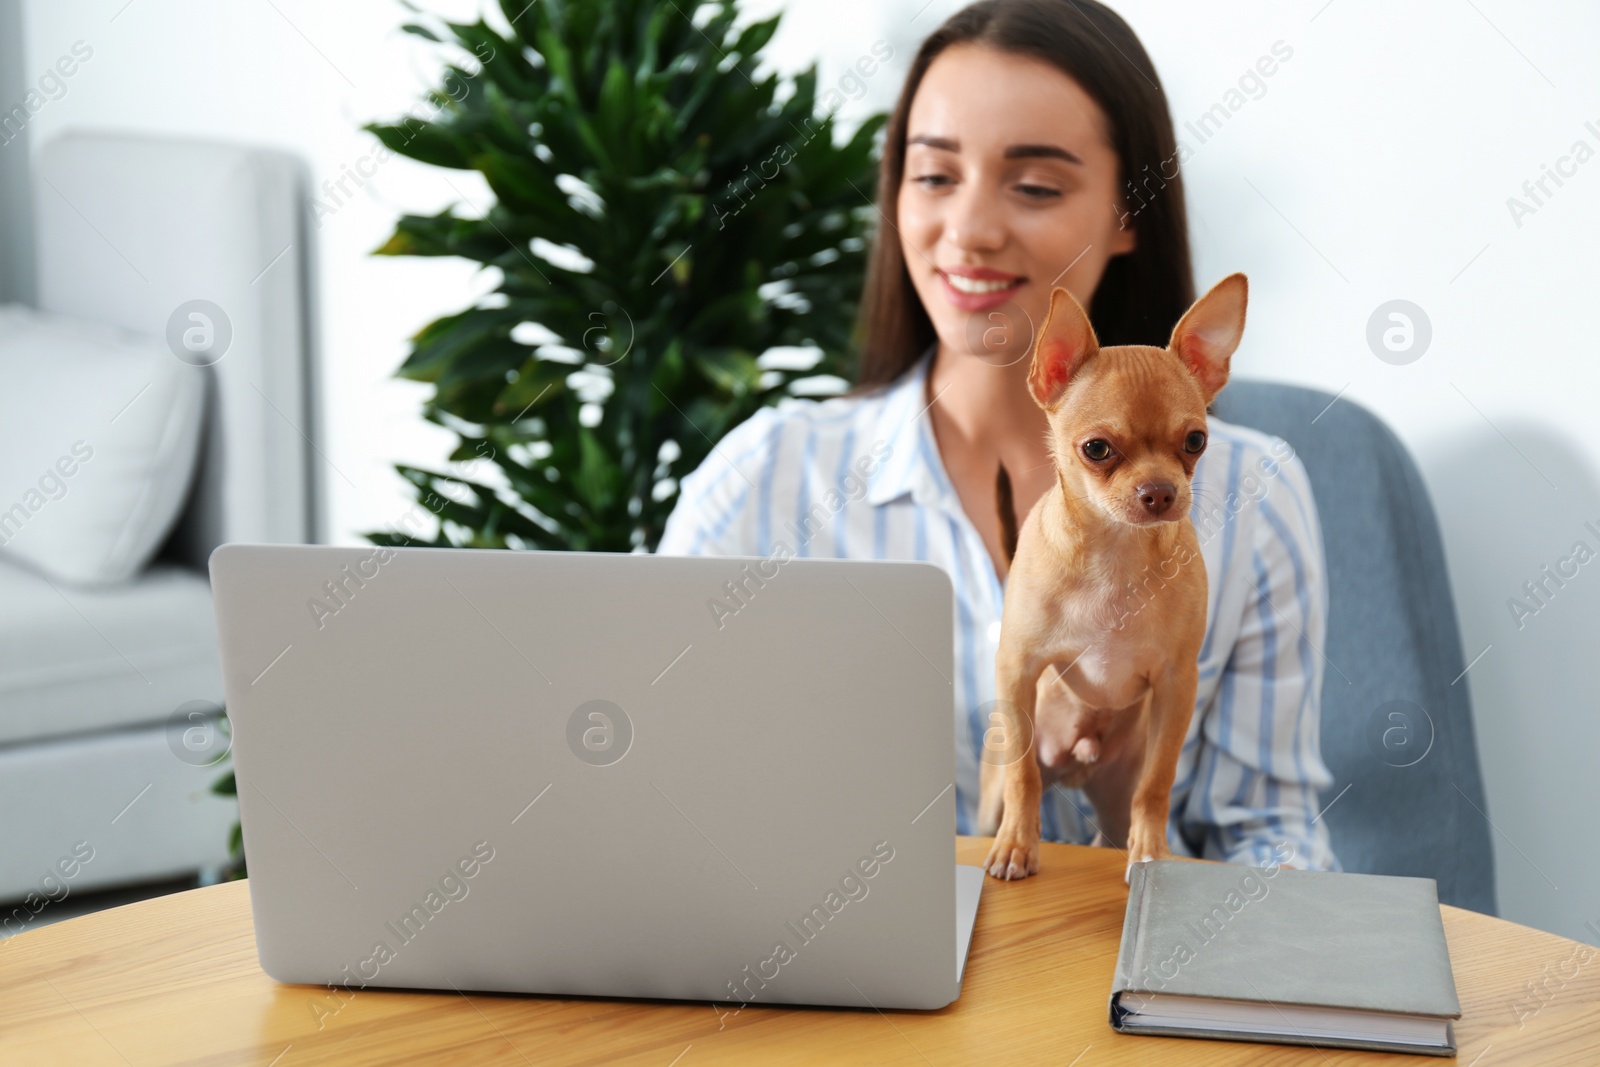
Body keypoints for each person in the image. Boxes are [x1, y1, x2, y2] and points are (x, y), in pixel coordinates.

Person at [657, 0, 1339, 871]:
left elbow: (1272, 837)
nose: (971, 231)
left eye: (1036, 185)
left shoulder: (1257, 500)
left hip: (1138, 977)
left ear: (1131, 213)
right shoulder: (764, 483)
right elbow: (670, 797)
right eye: (934, 176)